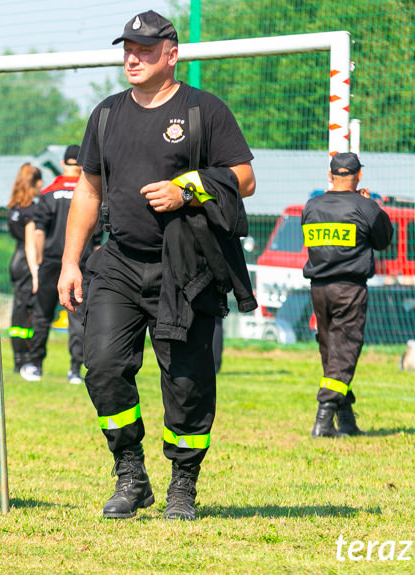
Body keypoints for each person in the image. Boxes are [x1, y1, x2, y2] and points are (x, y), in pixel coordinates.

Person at [58, 10, 257, 521]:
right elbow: (88, 189)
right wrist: (70, 262)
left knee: (187, 382)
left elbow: (244, 177)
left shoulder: (203, 110)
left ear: (172, 54)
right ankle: (130, 473)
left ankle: (183, 485)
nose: (133, 57)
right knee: (100, 365)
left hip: (186, 266)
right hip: (119, 262)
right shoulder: (105, 114)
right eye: (127, 48)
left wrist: (185, 189)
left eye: (145, 49)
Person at [301, 152, 393, 438]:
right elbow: (384, 240)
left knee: (332, 352)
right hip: (349, 289)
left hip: (318, 290)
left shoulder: (311, 207)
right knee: (344, 352)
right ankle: (324, 420)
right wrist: (369, 204)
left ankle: (347, 420)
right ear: (359, 176)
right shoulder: (363, 206)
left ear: (330, 176)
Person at [27, 145, 100, 385]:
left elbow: (38, 232)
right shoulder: (90, 195)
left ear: (62, 164)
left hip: (51, 263)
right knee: (78, 317)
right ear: (82, 165)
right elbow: (98, 238)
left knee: (42, 315)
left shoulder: (49, 194)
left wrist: (37, 265)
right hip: (82, 263)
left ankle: (36, 366)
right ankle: (75, 370)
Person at [8, 163, 42, 379]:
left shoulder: (14, 208)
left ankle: (17, 359)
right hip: (25, 263)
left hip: (15, 261)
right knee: (27, 313)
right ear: (36, 183)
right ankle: (24, 360)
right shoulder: (31, 210)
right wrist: (36, 272)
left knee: (18, 311)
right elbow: (31, 245)